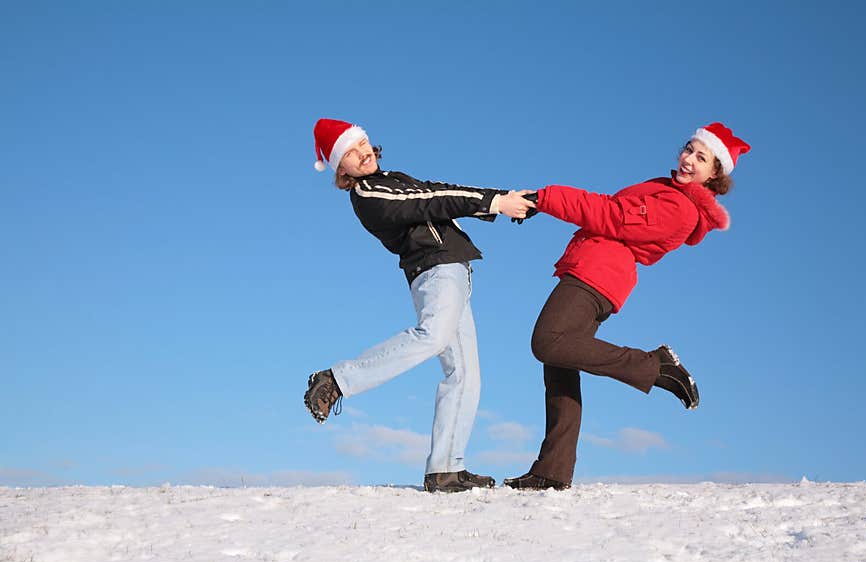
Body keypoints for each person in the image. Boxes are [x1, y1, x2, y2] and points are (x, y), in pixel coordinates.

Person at [504, 122, 751, 490]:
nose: (688, 159)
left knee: (547, 341)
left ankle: (656, 365)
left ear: (714, 174)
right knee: (559, 363)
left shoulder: (679, 208)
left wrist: (546, 198)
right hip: (592, 268)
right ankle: (553, 470)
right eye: (688, 149)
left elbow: (611, 215)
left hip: (597, 275)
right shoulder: (665, 189)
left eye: (701, 158)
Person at [304, 118, 535, 493]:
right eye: (349, 152)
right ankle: (337, 379)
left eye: (362, 144)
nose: (362, 153)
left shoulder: (392, 177)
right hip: (435, 269)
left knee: (464, 374)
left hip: (454, 269)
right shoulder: (369, 195)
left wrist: (503, 200)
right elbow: (428, 201)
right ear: (340, 169)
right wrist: (495, 201)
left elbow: (437, 192)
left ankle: (444, 468)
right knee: (432, 336)